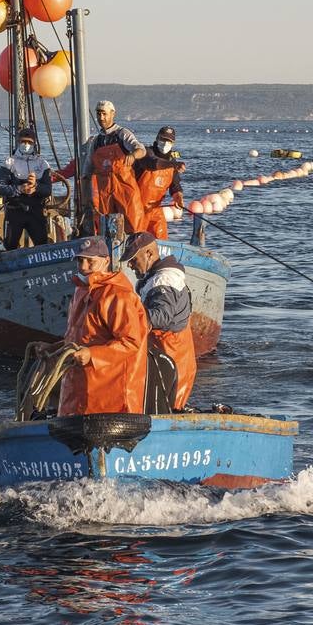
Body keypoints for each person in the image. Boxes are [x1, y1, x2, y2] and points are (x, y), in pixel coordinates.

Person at [57, 236, 149, 416]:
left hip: (109, 396)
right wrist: (53, 349)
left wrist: (92, 354)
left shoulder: (117, 295)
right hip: (79, 387)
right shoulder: (80, 290)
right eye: (80, 260)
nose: (83, 267)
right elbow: (75, 336)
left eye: (90, 262)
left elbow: (130, 342)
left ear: (106, 261)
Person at [122, 231, 196, 412]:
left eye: (133, 259)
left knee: (168, 405)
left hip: (171, 353)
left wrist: (129, 319)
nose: (130, 265)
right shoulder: (160, 277)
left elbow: (162, 316)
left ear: (149, 253)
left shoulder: (163, 280)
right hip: (173, 351)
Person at [54, 101, 146, 234]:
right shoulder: (96, 141)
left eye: (104, 114)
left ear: (112, 114)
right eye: (98, 114)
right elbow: (86, 172)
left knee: (133, 222)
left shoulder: (122, 134)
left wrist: (133, 155)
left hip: (125, 187)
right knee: (107, 225)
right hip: (105, 190)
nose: (101, 118)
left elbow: (141, 149)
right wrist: (86, 200)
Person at [0, 128, 52, 249]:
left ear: (34, 143)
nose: (26, 145)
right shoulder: (9, 162)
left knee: (42, 244)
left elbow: (48, 190)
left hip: (35, 211)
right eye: (23, 142)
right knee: (10, 245)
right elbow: (0, 187)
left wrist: (35, 187)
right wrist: (19, 189)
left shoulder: (42, 163)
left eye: (29, 142)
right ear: (18, 142)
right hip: (15, 210)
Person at [133, 126, 186, 240]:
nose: (165, 143)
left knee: (161, 238)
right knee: (136, 241)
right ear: (157, 138)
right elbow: (153, 163)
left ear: (173, 143)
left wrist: (178, 197)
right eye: (163, 139)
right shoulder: (146, 152)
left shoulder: (172, 162)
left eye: (169, 141)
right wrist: (173, 165)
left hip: (155, 209)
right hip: (135, 209)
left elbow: (175, 186)